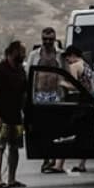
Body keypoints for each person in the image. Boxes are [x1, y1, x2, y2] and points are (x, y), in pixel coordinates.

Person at [45, 45, 94, 173]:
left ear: (72, 55)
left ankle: (59, 165)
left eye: (67, 59)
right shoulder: (86, 65)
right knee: (84, 134)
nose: (67, 62)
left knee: (66, 132)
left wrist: (61, 83)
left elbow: (74, 85)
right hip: (89, 102)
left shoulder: (74, 66)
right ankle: (81, 164)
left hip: (78, 103)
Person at [26, 27, 64, 172]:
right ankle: (45, 157)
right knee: (42, 128)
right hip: (39, 96)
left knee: (56, 128)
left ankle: (54, 158)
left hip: (55, 95)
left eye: (50, 39)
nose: (47, 42)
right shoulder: (35, 55)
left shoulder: (60, 55)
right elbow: (28, 75)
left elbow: (66, 74)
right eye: (45, 39)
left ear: (54, 39)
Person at [0, 41, 27, 188]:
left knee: (15, 147)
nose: (24, 55)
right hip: (2, 116)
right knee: (0, 146)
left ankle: (12, 179)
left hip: (16, 116)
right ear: (13, 52)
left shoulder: (21, 71)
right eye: (22, 52)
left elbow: (25, 92)